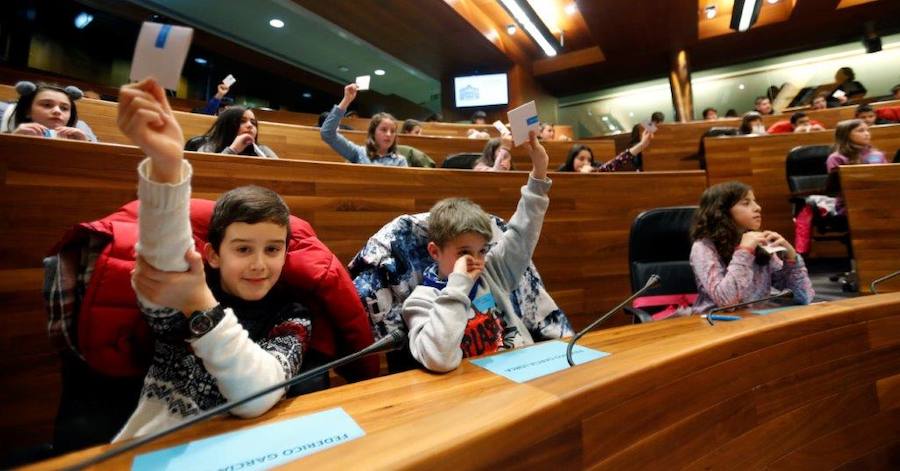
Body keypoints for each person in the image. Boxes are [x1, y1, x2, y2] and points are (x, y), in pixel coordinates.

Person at [113, 78, 315, 440]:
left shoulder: (293, 315)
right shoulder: (179, 298)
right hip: (159, 449)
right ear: (213, 254)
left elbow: (255, 399)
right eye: (242, 249)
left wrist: (199, 303)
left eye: (272, 249)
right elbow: (164, 257)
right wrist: (166, 168)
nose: (259, 263)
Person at [401, 130, 553, 372]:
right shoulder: (420, 301)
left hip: (524, 373)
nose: (476, 260)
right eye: (464, 253)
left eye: (481, 250)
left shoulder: (491, 271)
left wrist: (539, 170)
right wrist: (459, 284)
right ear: (434, 251)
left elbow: (522, 233)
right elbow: (439, 358)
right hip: (473, 392)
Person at [689, 181, 814, 314]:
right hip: (714, 323)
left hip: (755, 320)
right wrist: (744, 252)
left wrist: (791, 258)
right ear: (722, 211)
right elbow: (726, 302)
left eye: (755, 201)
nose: (758, 208)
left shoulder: (758, 243)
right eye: (746, 203)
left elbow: (803, 296)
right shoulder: (703, 247)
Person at [320, 84, 407, 166]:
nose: (389, 134)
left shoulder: (400, 161)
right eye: (384, 129)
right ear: (373, 132)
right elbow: (327, 133)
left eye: (392, 131)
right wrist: (346, 100)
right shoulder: (359, 153)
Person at [0, 81, 97, 142]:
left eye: (64, 108)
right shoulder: (5, 119)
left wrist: (83, 147)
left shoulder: (80, 130)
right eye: (47, 105)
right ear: (27, 111)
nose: (57, 111)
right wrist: (12, 142)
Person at [826, 119, 887, 214]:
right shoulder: (836, 158)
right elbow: (838, 188)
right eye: (861, 131)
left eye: (867, 130)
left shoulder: (878, 155)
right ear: (846, 135)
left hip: (880, 198)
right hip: (850, 205)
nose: (867, 134)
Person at [190, 107, 278, 158]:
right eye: (242, 121)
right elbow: (205, 173)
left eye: (253, 122)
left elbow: (279, 171)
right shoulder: (209, 148)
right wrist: (233, 150)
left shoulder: (262, 149)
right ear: (228, 127)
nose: (250, 125)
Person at [558, 128, 652, 173]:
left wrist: (642, 145)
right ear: (572, 159)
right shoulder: (561, 173)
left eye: (589, 160)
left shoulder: (596, 171)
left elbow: (618, 161)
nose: (586, 163)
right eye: (581, 159)